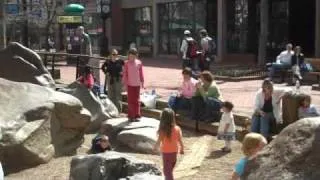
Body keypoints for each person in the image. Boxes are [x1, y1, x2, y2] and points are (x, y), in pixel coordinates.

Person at [154, 108, 184, 180]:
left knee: (167, 172)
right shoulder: (177, 128)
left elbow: (159, 141)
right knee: (169, 171)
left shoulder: (163, 130)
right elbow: (180, 141)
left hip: (166, 154)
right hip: (174, 153)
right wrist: (182, 149)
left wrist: (155, 148)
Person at [122, 48, 145, 122]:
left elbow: (141, 73)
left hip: (137, 84)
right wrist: (125, 84)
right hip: (130, 84)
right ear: (128, 55)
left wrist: (142, 81)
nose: (131, 57)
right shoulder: (126, 63)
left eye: (133, 56)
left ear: (136, 56)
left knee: (137, 100)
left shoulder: (139, 63)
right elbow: (125, 74)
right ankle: (131, 115)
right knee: (130, 100)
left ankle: (137, 115)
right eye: (130, 56)